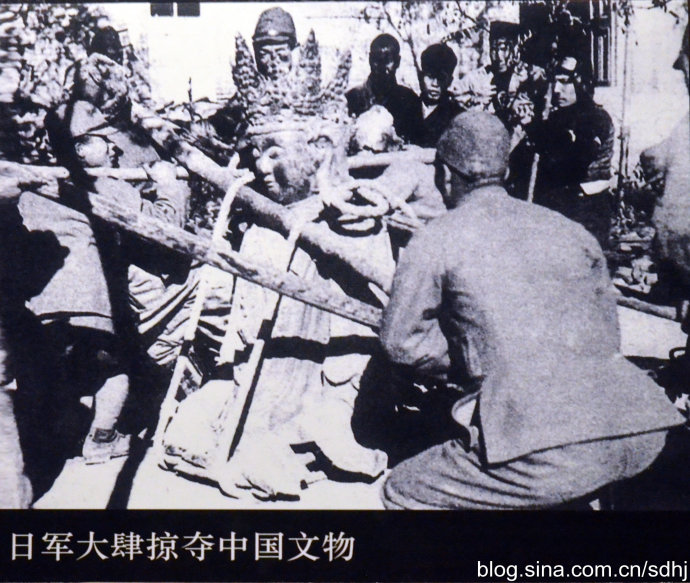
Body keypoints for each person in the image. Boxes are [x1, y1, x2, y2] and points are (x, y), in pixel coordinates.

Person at [377, 111, 683, 509]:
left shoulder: (435, 239)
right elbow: (607, 336)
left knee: (402, 488)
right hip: (642, 427)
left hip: (550, 454)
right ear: (504, 171)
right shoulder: (569, 230)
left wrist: (475, 360)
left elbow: (401, 344)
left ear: (446, 175)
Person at [509, 54, 615, 249]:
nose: (557, 90)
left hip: (586, 212)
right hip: (558, 209)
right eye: (555, 82)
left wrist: (537, 131)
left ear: (582, 84)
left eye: (565, 82)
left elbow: (575, 160)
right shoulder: (556, 118)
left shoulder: (596, 119)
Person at [454, 21, 546, 133]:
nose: (498, 56)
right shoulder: (479, 76)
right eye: (494, 49)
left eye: (503, 49)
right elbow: (453, 96)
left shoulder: (529, 74)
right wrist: (475, 99)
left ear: (514, 49)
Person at [346, 34, 423, 144]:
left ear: (398, 61)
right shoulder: (352, 99)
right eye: (377, 60)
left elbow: (416, 147)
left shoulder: (410, 101)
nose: (382, 67)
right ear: (369, 60)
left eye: (388, 61)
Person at [417, 44, 463, 148]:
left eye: (441, 78)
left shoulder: (456, 116)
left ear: (450, 81)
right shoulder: (407, 108)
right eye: (430, 76)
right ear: (420, 77)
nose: (435, 84)